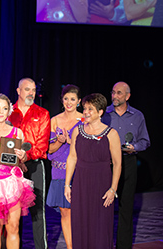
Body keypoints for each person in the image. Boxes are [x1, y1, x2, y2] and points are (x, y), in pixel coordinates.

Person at [0, 93, 36, 249]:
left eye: (4, 108)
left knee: (13, 228)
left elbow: (21, 158)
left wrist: (23, 156)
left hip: (12, 184)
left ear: (9, 110)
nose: (1, 111)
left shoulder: (17, 133)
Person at [64, 93, 121, 248]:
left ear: (100, 112)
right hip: (81, 183)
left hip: (102, 184)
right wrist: (67, 185)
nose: (86, 112)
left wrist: (113, 189)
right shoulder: (77, 131)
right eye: (85, 109)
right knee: (80, 222)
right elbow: (72, 158)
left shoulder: (112, 134)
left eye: (90, 109)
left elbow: (117, 163)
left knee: (101, 225)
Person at [102, 82, 150, 249]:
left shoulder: (137, 116)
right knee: (104, 207)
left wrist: (134, 148)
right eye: (113, 92)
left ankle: (123, 246)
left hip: (128, 163)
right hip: (106, 164)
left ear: (127, 96)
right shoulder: (104, 114)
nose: (115, 96)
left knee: (126, 207)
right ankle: (104, 243)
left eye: (119, 93)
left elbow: (145, 141)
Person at [8, 78, 51, 249]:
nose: (31, 93)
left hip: (34, 166)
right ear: (18, 91)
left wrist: (26, 157)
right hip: (11, 167)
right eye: (27, 89)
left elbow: (42, 145)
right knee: (13, 213)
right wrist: (16, 161)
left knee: (37, 213)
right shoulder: (9, 112)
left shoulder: (42, 113)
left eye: (33, 90)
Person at [46, 85, 83, 249]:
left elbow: (90, 148)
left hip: (79, 171)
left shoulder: (84, 120)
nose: (69, 102)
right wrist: (60, 141)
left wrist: (71, 141)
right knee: (65, 211)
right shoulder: (54, 120)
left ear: (79, 102)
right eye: (66, 98)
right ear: (62, 100)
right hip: (59, 170)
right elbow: (48, 150)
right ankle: (70, 247)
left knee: (80, 212)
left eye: (73, 99)